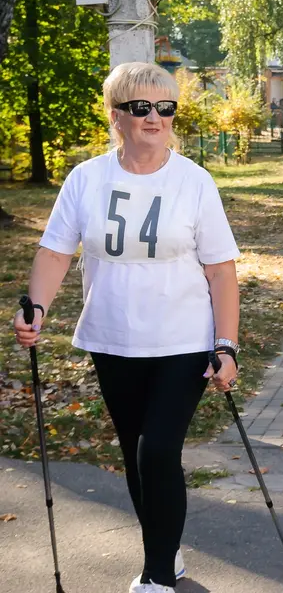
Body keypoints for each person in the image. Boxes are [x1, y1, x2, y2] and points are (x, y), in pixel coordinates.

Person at [12, 62, 240, 593]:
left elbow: (221, 270)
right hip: (114, 339)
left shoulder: (194, 181)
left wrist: (226, 345)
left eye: (166, 107)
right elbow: (54, 251)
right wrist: (36, 308)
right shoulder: (87, 178)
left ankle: (157, 574)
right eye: (141, 107)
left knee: (158, 449)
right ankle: (167, 549)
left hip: (183, 339)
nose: (155, 117)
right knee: (136, 455)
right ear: (117, 115)